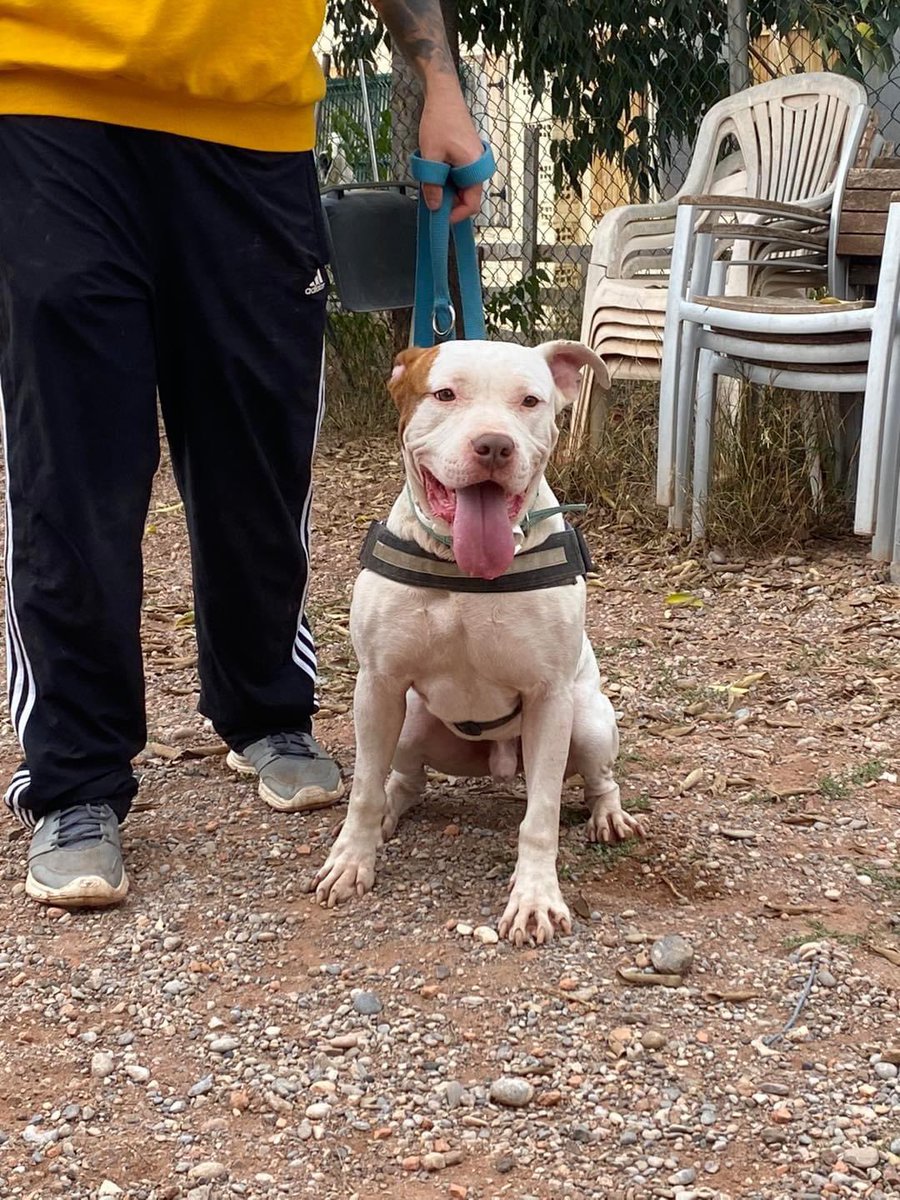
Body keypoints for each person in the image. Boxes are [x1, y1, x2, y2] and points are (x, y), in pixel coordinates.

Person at [0, 0, 484, 907]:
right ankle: (74, 777)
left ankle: (264, 705)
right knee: (71, 458)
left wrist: (439, 85)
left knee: (259, 450)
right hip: (46, 97)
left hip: (253, 122)